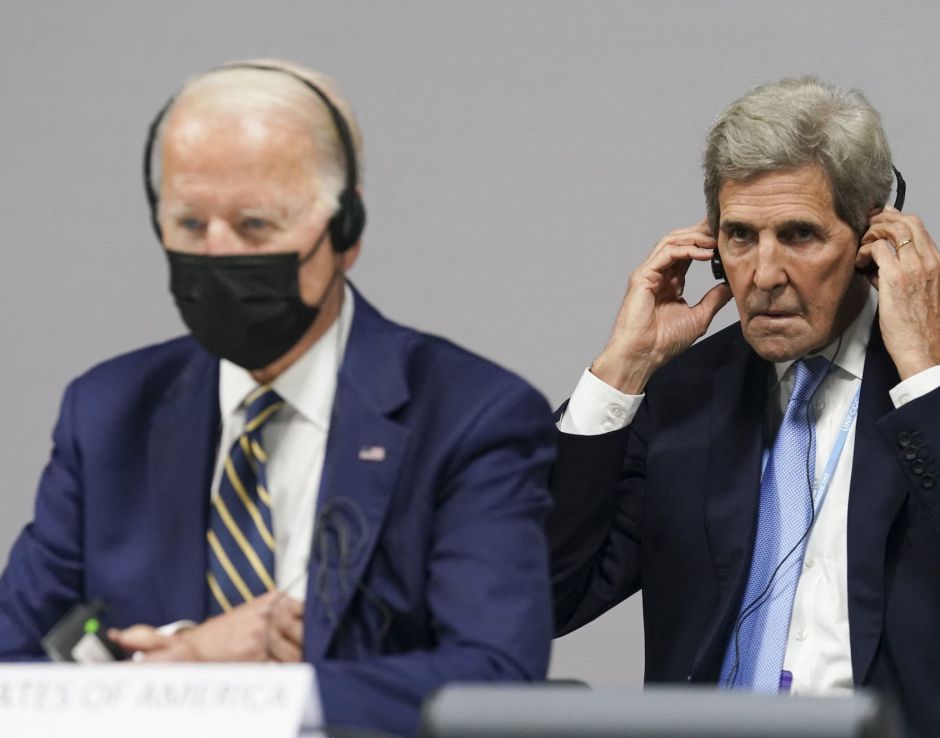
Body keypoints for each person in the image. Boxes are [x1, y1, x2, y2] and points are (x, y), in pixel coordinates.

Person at [0, 60, 555, 738]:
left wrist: (260, 693)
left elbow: (495, 678)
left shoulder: (470, 416)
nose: (217, 253)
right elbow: (12, 667)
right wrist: (187, 664)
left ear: (345, 230)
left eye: (255, 225)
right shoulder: (108, 413)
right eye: (189, 222)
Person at [547, 77, 940, 737]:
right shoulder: (685, 392)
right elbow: (541, 599)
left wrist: (925, 369)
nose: (763, 275)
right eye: (740, 237)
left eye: (799, 235)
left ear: (873, 235)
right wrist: (621, 372)